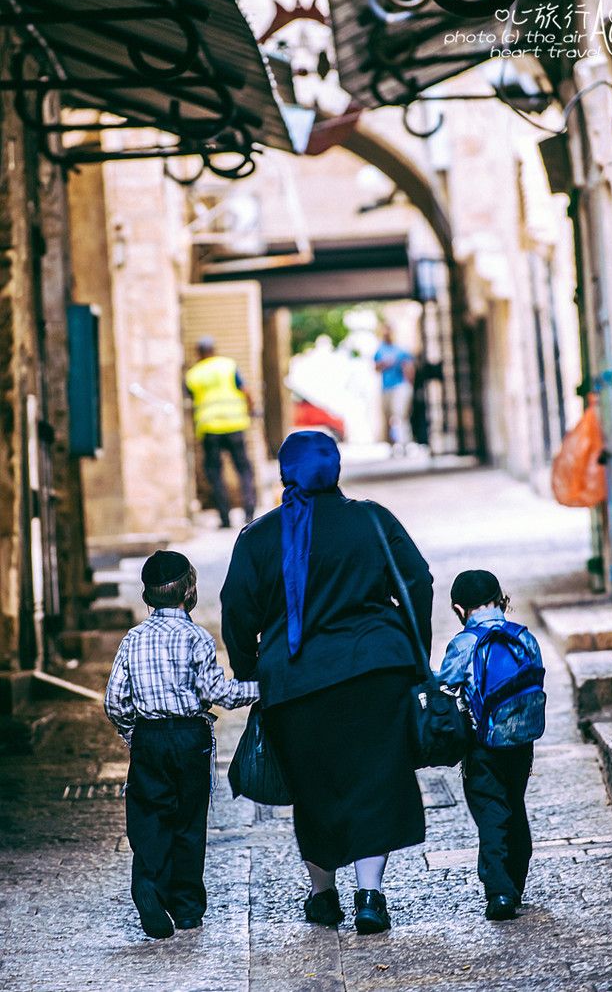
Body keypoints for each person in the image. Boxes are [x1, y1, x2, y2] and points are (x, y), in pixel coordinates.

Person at [220, 430, 433, 933]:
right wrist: (411, 646)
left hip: (296, 687)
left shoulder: (257, 538)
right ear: (334, 468)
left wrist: (250, 667)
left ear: (284, 472)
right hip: (374, 673)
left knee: (315, 788)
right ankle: (371, 896)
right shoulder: (371, 519)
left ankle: (323, 896)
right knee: (374, 780)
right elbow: (418, 580)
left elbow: (236, 609)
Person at [104, 550, 259, 939]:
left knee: (151, 815)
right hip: (191, 737)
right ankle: (187, 909)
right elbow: (216, 691)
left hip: (149, 738)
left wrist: (132, 734)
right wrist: (263, 687)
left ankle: (148, 885)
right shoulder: (197, 637)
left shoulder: (133, 639)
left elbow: (114, 701)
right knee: (189, 821)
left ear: (146, 597)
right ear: (190, 591)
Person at [437, 569, 540, 921]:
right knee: (515, 803)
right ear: (500, 598)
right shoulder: (523, 637)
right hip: (522, 742)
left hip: (482, 746)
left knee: (492, 814)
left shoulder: (464, 643)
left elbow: (446, 687)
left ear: (458, 608)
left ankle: (499, 893)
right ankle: (516, 883)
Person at [185, 336, 257, 528]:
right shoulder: (228, 366)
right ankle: (249, 513)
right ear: (214, 350)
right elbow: (246, 391)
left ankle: (224, 518)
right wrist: (251, 409)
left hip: (210, 430)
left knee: (215, 473)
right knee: (244, 469)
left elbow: (189, 401)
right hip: (235, 425)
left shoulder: (194, 374)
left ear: (198, 353)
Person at [374, 324, 415, 451]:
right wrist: (385, 364)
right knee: (387, 417)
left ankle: (405, 443)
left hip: (400, 386)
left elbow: (409, 367)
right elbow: (376, 367)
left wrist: (409, 385)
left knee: (400, 414)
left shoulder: (400, 350)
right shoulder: (380, 350)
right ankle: (391, 445)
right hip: (386, 388)